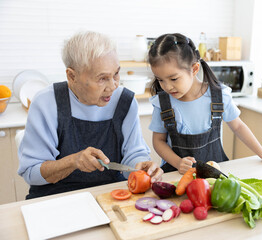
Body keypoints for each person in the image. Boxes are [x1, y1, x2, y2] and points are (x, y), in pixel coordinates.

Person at [18, 31, 163, 199]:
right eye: (102, 78)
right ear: (72, 76)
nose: (113, 86)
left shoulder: (125, 101)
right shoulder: (46, 103)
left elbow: (133, 153)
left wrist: (140, 166)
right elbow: (31, 172)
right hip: (54, 197)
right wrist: (73, 161)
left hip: (109, 195)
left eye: (116, 74)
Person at [148, 33, 262, 174]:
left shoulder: (219, 96)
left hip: (214, 178)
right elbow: (158, 141)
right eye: (160, 80)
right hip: (176, 177)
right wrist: (178, 162)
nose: (167, 87)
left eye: (173, 79)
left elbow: (238, 126)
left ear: (194, 69)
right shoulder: (162, 103)